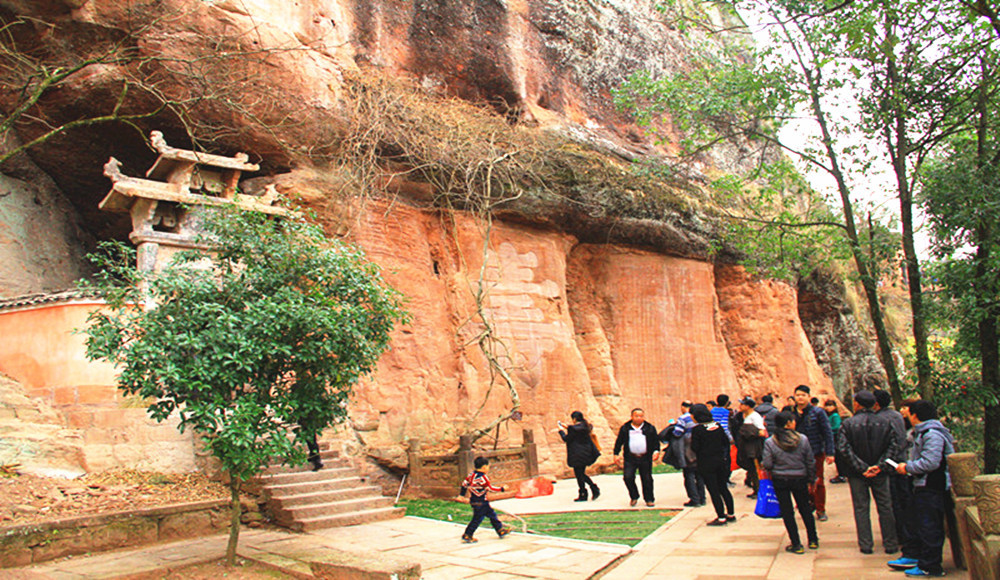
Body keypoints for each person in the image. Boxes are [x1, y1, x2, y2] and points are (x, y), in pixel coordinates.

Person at [889, 400, 954, 577]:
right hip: (922, 484)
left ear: (915, 415)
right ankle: (916, 557)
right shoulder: (921, 433)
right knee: (917, 521)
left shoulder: (932, 434)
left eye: (908, 412)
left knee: (929, 526)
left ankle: (931, 566)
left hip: (932, 485)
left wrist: (908, 467)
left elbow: (931, 462)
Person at [836, 390, 899, 555]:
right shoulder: (885, 422)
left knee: (861, 507)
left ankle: (866, 544)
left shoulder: (848, 424)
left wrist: (861, 467)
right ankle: (891, 544)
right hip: (880, 473)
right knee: (885, 506)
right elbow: (893, 446)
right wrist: (879, 466)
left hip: (858, 475)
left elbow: (843, 448)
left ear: (857, 403)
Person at [762, 411, 818, 554]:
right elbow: (810, 461)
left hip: (780, 480)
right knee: (805, 508)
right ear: (788, 423)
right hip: (800, 478)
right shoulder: (803, 439)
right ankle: (813, 540)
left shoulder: (770, 442)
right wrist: (812, 479)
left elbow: (767, 463)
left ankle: (796, 544)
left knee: (787, 512)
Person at [874, 389, 916, 560]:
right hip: (900, 463)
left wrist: (881, 463)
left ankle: (901, 536)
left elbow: (886, 444)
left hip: (891, 466)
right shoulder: (897, 416)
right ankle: (905, 535)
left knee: (894, 502)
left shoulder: (880, 419)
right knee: (903, 500)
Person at [791, 385, 835, 521]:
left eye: (803, 395)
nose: (800, 397)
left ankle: (820, 508)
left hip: (815, 452)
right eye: (798, 395)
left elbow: (827, 432)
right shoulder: (791, 413)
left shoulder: (818, 412)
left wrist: (830, 452)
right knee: (800, 481)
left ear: (808, 397)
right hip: (796, 453)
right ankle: (809, 503)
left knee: (818, 480)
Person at [690, 403, 735, 526]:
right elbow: (725, 442)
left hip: (706, 463)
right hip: (720, 461)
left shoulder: (697, 430)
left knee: (714, 490)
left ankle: (721, 516)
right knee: (723, 488)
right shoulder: (717, 425)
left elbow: (695, 447)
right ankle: (731, 514)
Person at [613, 408, 661, 507]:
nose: (639, 418)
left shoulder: (649, 428)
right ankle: (634, 496)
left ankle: (649, 499)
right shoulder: (626, 428)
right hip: (630, 457)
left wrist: (656, 451)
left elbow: (655, 441)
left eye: (641, 416)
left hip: (645, 457)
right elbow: (619, 441)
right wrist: (616, 454)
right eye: (637, 416)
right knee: (628, 477)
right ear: (632, 417)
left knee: (647, 479)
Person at [459, 457, 512, 543]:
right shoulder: (483, 478)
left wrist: (461, 494)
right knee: (477, 518)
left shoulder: (471, 475)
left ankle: (500, 530)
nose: (488, 469)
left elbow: (464, 484)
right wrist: (502, 489)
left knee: (492, 514)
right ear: (484, 467)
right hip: (481, 501)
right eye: (488, 467)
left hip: (474, 500)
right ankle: (467, 534)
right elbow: (490, 488)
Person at [558, 411, 601, 502]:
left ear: (574, 419)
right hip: (586, 453)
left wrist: (561, 431)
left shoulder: (574, 429)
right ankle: (589, 490)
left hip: (577, 454)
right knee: (580, 473)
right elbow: (576, 429)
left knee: (579, 474)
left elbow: (566, 438)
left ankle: (586, 492)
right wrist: (568, 427)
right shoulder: (585, 426)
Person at [670, 401, 705, 507]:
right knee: (700, 475)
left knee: (689, 474)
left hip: (688, 449)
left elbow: (677, 433)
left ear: (683, 407)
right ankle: (702, 498)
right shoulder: (702, 418)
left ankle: (694, 499)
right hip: (700, 448)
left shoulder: (683, 419)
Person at [733, 397, 766, 499]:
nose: (740, 406)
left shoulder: (755, 417)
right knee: (751, 469)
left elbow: (762, 432)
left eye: (742, 404)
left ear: (747, 406)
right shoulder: (745, 416)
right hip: (747, 446)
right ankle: (756, 489)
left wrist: (750, 433)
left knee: (755, 469)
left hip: (753, 447)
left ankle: (759, 490)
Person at [824, 399, 846, 484]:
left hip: (836, 438)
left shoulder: (835, 416)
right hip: (832, 437)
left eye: (830, 405)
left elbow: (837, 426)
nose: (828, 407)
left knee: (838, 457)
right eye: (827, 405)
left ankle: (841, 475)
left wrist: (827, 430)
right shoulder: (829, 415)